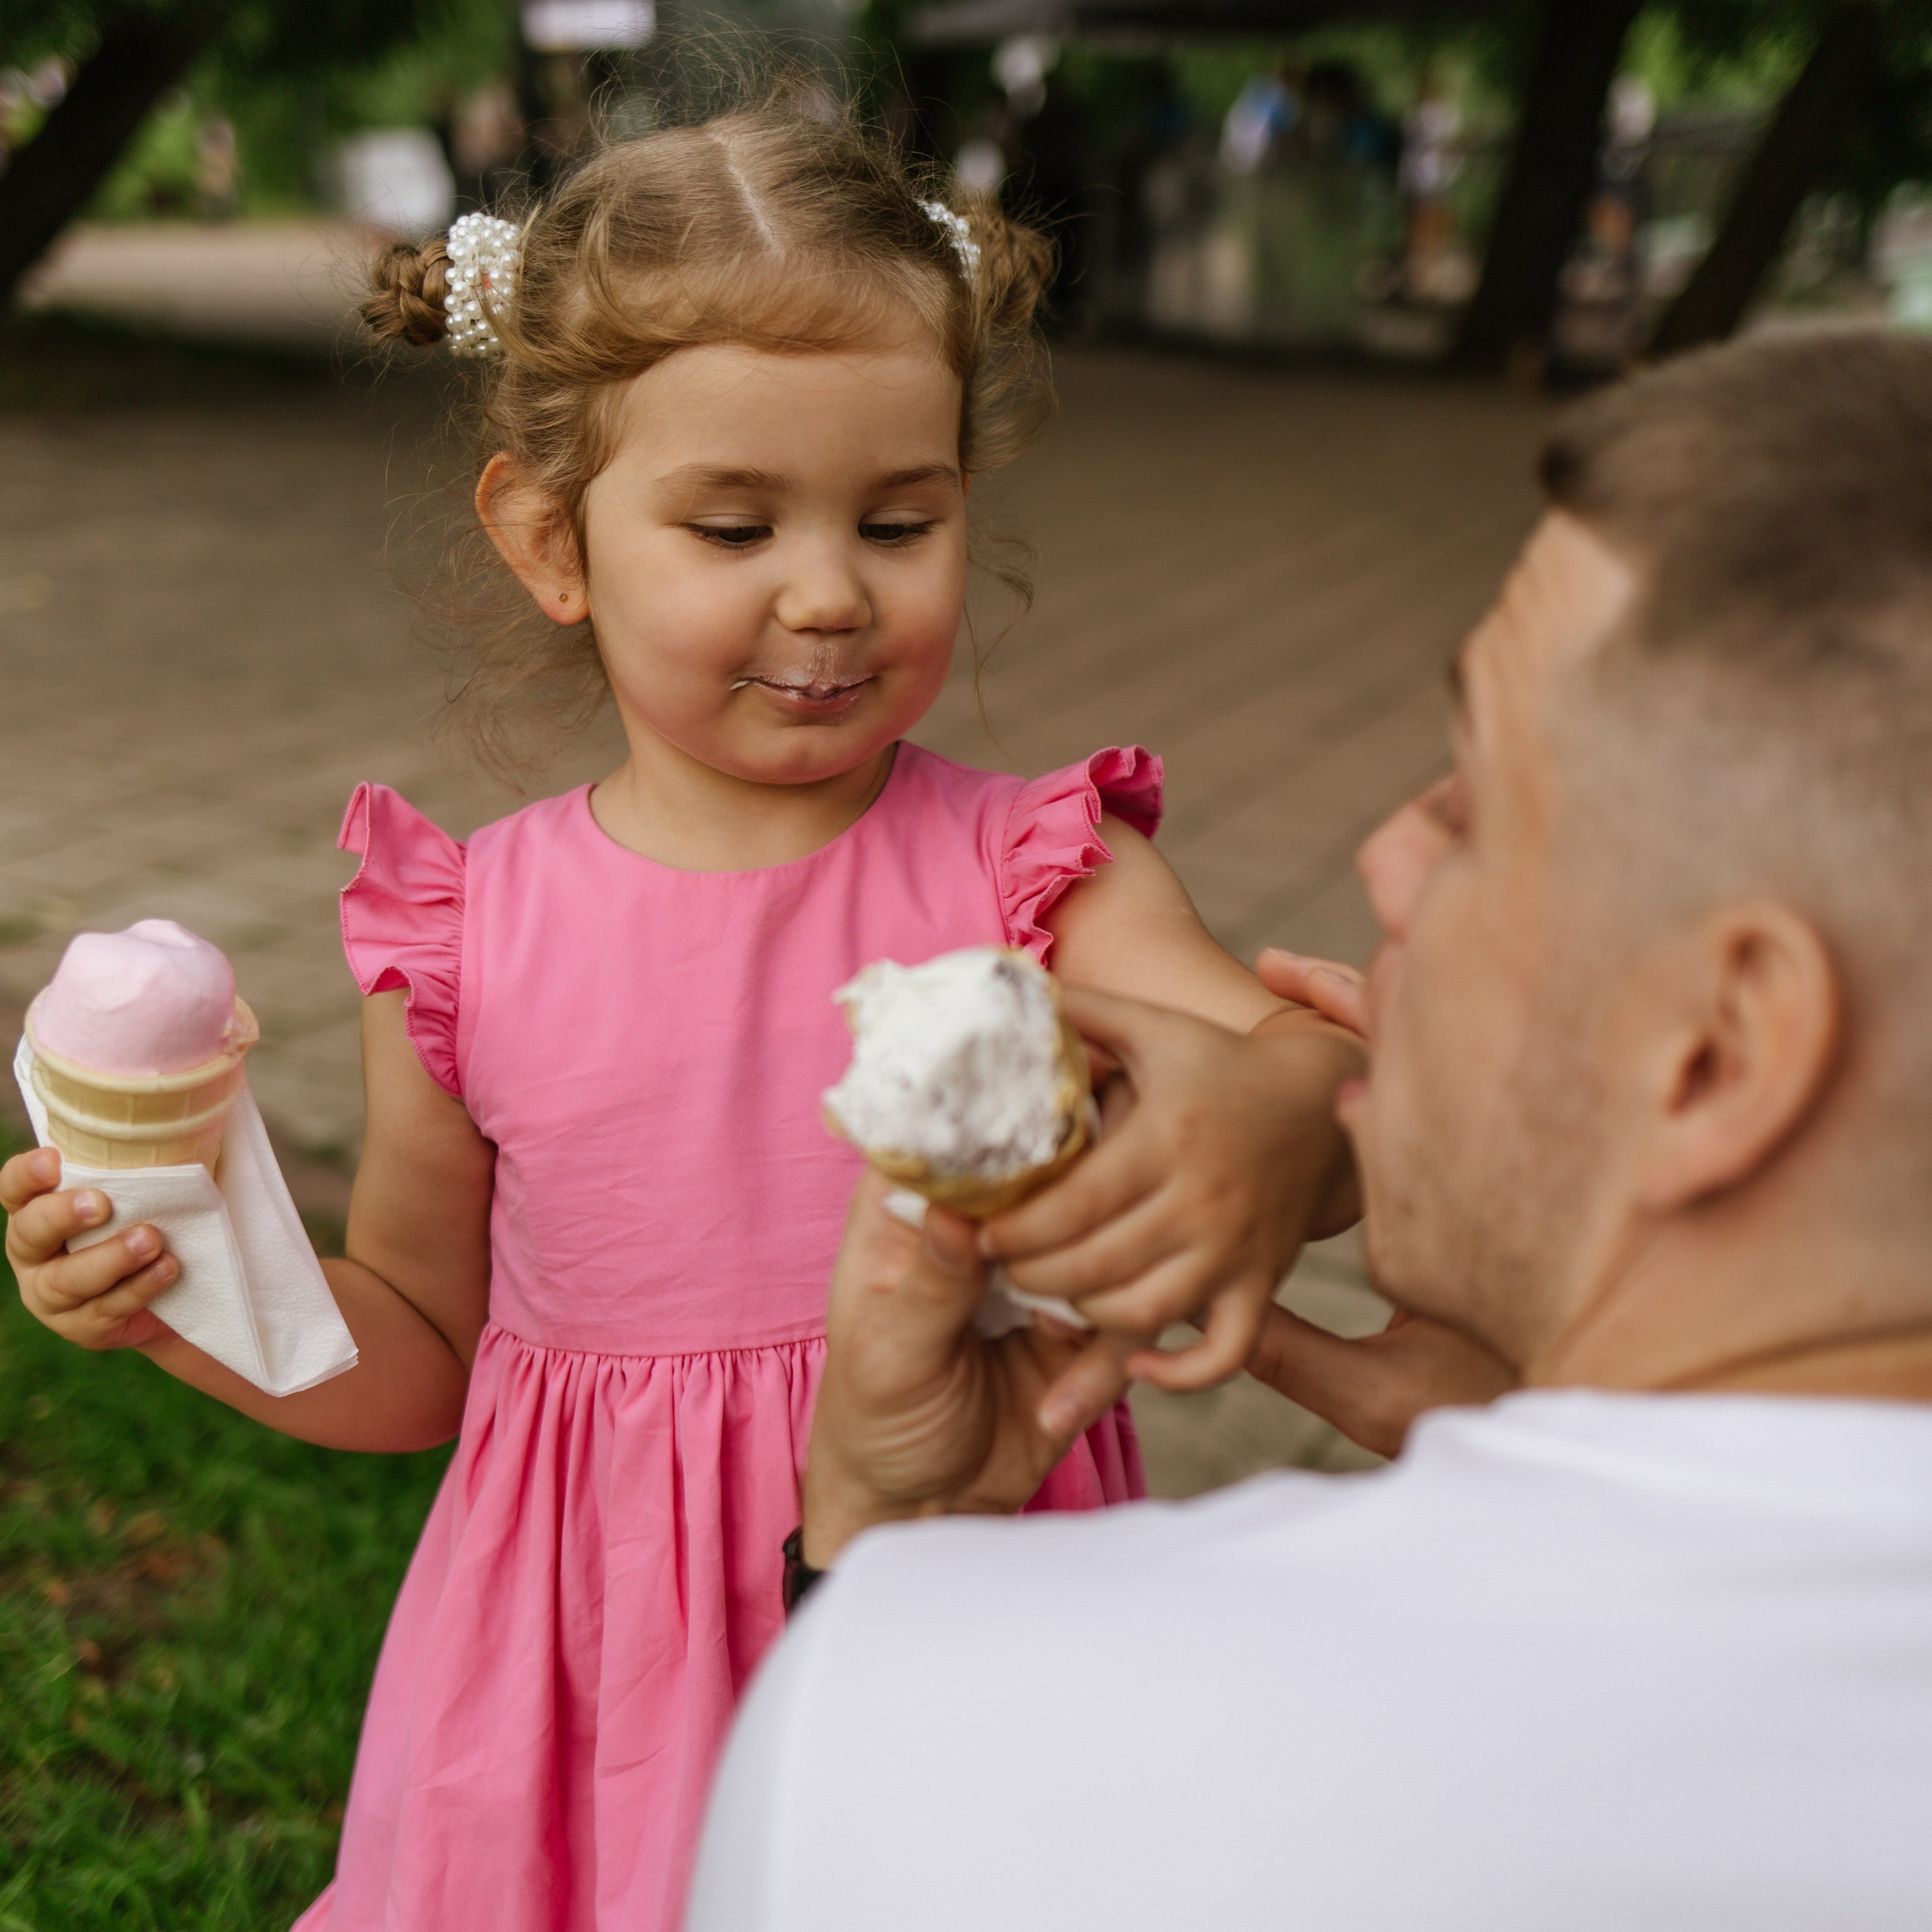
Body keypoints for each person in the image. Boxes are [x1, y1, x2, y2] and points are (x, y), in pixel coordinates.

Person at [0, 94, 1361, 1932]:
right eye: (732, 524)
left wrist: (1293, 1112)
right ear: (552, 542)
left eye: (900, 516)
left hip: (963, 1586)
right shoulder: (472, 934)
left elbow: (1303, 1100)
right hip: (593, 1680)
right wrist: (183, 1306)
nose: (827, 588)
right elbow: (417, 1345)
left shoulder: (1035, 875)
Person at [690, 329, 1932, 1930]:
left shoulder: (944, 1719)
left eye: (1470, 810)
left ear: (1718, 1045)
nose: (1383, 850)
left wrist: (882, 1546)